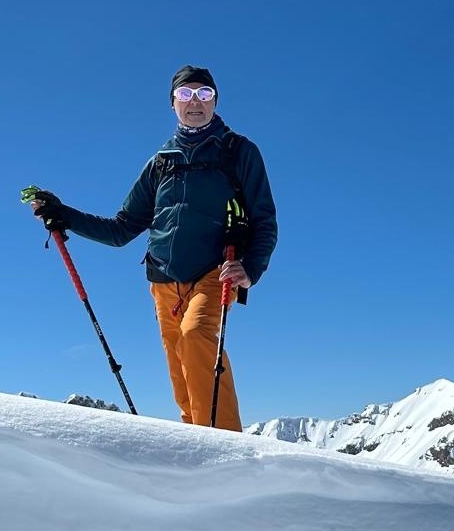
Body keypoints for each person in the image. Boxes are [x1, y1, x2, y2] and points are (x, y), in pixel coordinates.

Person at [28, 66, 277, 431]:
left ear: (216, 101)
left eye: (204, 94)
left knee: (196, 336)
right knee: (181, 369)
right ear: (173, 103)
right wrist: (63, 215)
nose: (195, 102)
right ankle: (192, 443)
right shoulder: (161, 163)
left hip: (214, 272)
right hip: (162, 279)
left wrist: (251, 267)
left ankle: (225, 442)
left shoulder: (238, 151)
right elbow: (121, 229)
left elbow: (264, 220)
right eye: (185, 94)